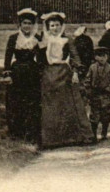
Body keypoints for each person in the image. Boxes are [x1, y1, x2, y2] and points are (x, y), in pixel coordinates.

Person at [36, 12, 94, 148]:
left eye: (57, 25)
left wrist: (75, 72)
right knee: (51, 106)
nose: (55, 28)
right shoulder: (43, 41)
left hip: (64, 73)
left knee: (69, 104)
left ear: (62, 26)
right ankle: (52, 140)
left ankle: (73, 137)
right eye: (52, 25)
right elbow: (39, 60)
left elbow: (75, 57)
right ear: (48, 27)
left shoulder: (67, 41)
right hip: (49, 74)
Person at [3, 8, 42, 143]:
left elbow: (41, 57)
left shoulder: (37, 38)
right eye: (24, 23)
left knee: (32, 101)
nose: (27, 26)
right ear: (20, 24)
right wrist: (7, 74)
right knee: (16, 101)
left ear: (33, 25)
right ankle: (16, 131)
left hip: (32, 72)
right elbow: (8, 57)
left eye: (30, 23)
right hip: (17, 72)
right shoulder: (14, 38)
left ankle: (31, 132)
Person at [84, 47, 110, 140]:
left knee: (106, 116)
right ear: (95, 57)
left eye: (104, 56)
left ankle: (104, 132)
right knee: (94, 116)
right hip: (95, 95)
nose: (102, 58)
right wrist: (88, 90)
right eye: (99, 56)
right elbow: (87, 79)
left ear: (107, 57)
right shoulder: (92, 67)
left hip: (106, 95)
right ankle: (93, 135)